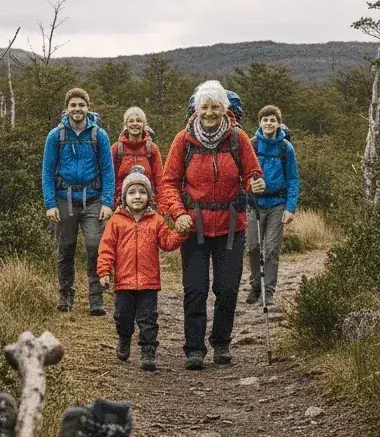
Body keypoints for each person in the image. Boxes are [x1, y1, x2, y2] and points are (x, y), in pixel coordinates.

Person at [161, 80, 265, 370]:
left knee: (227, 288)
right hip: (193, 226)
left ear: (224, 109)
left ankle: (221, 343)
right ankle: (194, 348)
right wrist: (177, 212)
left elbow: (252, 172)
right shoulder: (183, 140)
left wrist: (255, 182)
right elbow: (168, 182)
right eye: (204, 106)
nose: (209, 112)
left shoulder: (237, 139)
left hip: (232, 225)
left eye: (215, 106)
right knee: (195, 289)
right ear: (196, 109)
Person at [97, 168, 186, 371]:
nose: (137, 196)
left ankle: (148, 352)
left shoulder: (156, 221)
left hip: (148, 283)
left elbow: (167, 242)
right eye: (132, 192)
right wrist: (104, 272)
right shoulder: (116, 221)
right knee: (123, 317)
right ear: (124, 197)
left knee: (148, 320)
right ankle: (124, 339)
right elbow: (106, 249)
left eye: (142, 192)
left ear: (149, 196)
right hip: (123, 282)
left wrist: (180, 233)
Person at [41, 87, 115, 315]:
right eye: (73, 105)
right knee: (66, 249)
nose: (77, 109)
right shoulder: (56, 135)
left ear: (87, 107)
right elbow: (47, 170)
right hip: (65, 200)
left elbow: (108, 170)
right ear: (67, 108)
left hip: (93, 200)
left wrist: (107, 202)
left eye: (81, 105)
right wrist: (50, 203)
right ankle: (65, 296)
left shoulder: (98, 135)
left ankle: (96, 300)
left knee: (94, 248)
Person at [246, 104, 300, 309]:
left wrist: (290, 207)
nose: (269, 123)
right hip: (255, 204)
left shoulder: (286, 148)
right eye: (265, 120)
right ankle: (255, 285)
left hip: (278, 204)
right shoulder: (252, 145)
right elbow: (243, 173)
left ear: (278, 123)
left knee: (271, 249)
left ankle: (268, 291)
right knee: (252, 247)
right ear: (260, 122)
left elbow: (293, 179)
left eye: (272, 120)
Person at [111, 106, 164, 207]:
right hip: (120, 204)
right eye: (131, 121)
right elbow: (110, 179)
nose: (135, 124)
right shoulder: (116, 149)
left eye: (139, 121)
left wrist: (162, 207)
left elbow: (159, 180)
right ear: (126, 124)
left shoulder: (151, 149)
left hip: (147, 204)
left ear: (144, 124)